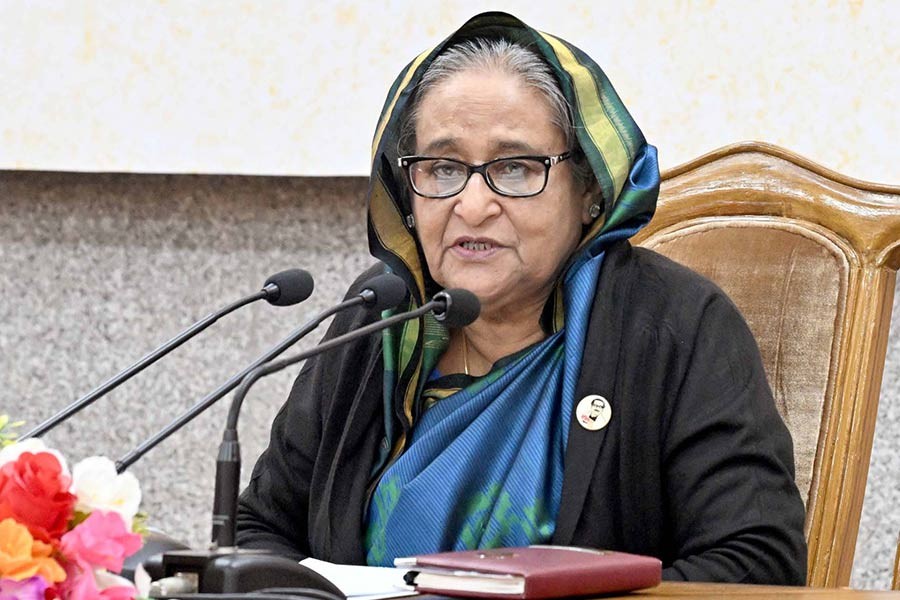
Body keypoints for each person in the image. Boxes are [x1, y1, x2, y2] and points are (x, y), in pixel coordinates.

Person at [237, 12, 807, 584]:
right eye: (442, 168)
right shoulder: (379, 324)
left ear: (589, 189)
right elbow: (259, 529)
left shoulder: (675, 328)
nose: (473, 205)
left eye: (513, 168)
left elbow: (755, 565)